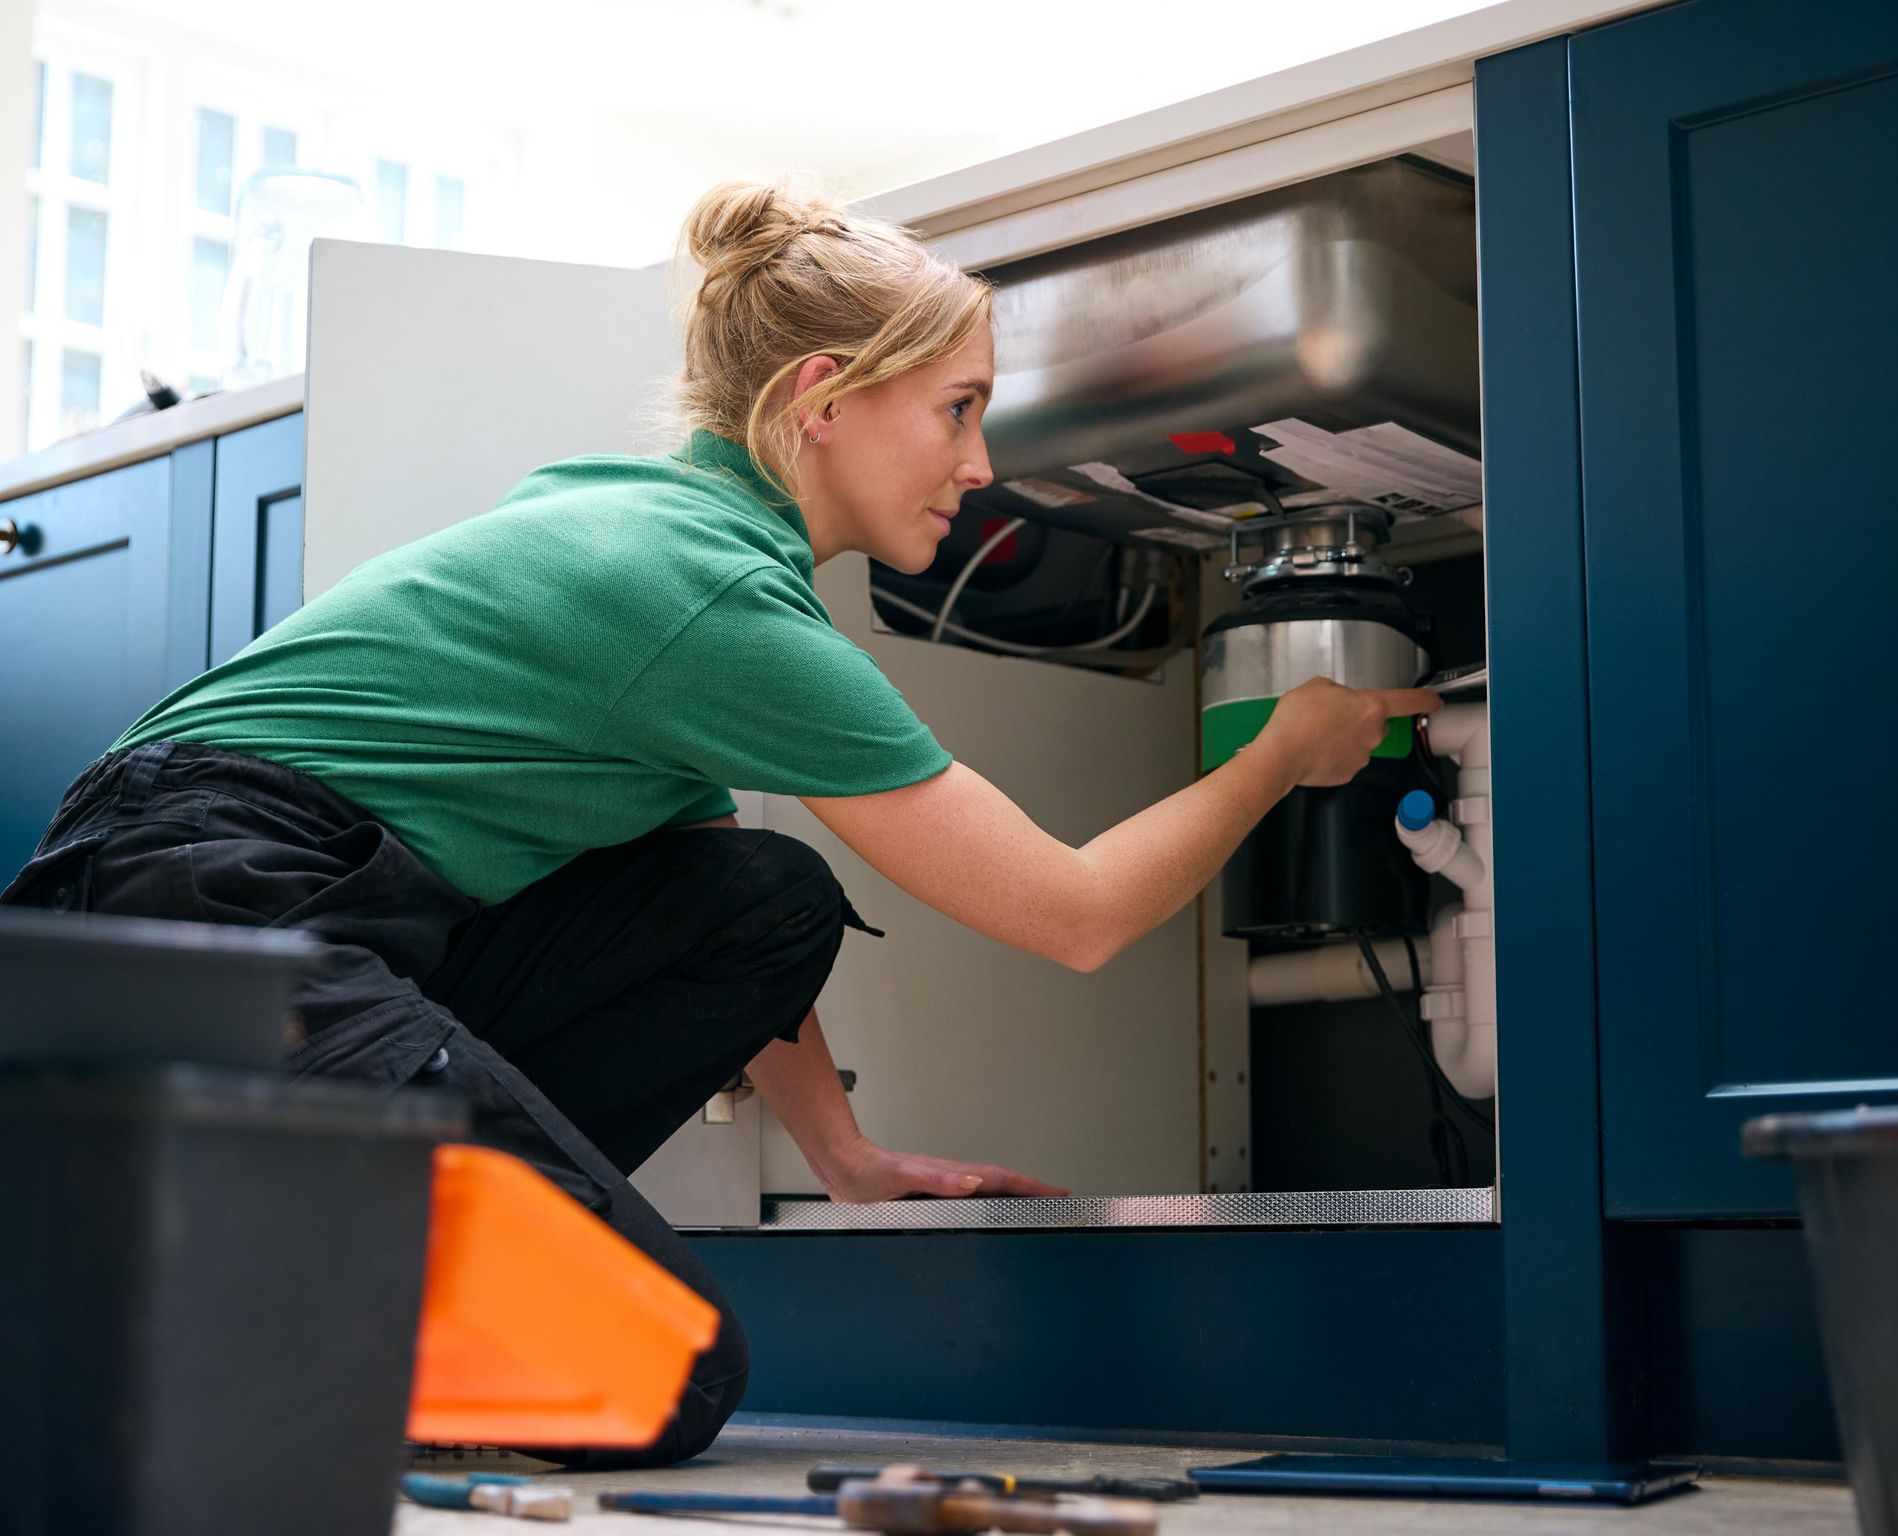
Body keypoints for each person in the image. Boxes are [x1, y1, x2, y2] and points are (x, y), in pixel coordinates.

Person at [0, 180, 1441, 1464]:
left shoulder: (670, 534)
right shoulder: (711, 599)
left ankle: (352, 1305)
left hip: (294, 914)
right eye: (957, 408)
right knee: (664, 1375)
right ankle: (268, 1337)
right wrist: (1283, 752)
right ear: (824, 397)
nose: (982, 463)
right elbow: (1074, 916)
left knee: (770, 893)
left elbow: (704, 899)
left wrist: (845, 1154)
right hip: (199, 922)